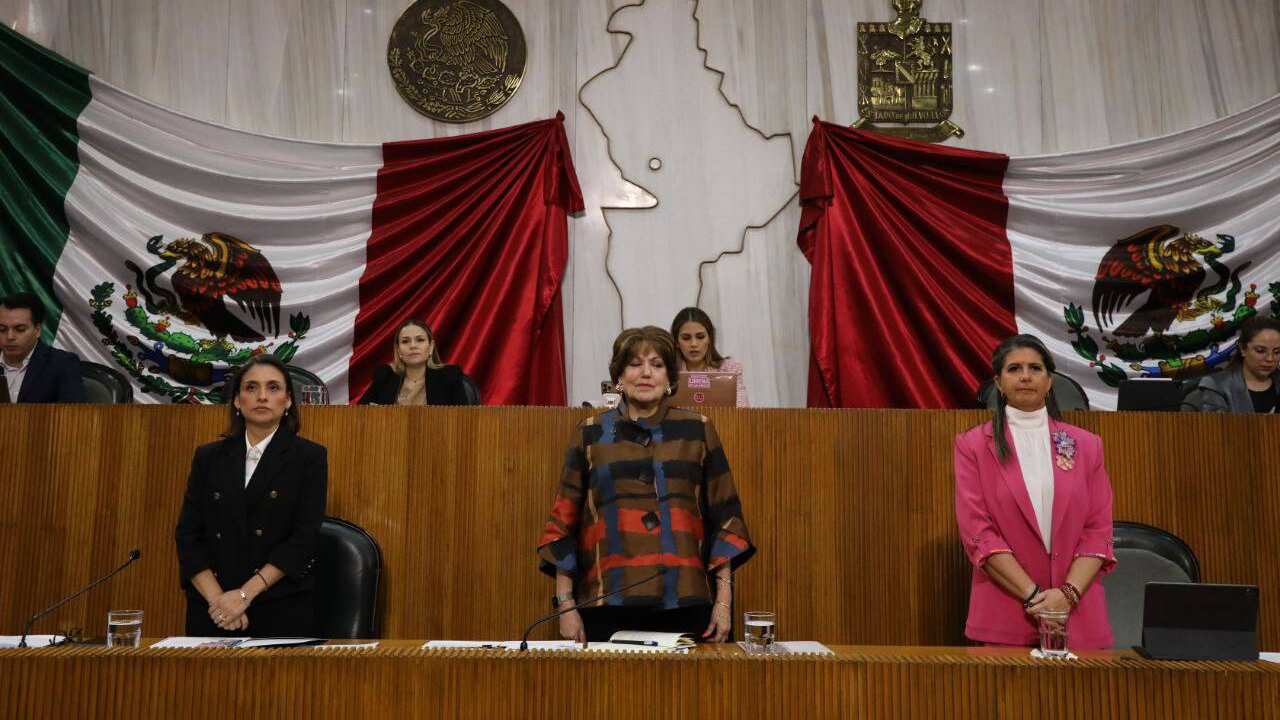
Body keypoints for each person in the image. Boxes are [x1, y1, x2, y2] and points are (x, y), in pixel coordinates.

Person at [538, 326, 754, 643]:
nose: (646, 373)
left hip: (685, 598)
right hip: (606, 599)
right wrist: (566, 605)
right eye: (635, 364)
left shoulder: (697, 430)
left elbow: (727, 521)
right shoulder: (590, 433)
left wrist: (723, 602)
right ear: (619, 377)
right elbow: (562, 523)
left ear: (669, 378)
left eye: (656, 364)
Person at [954, 334, 1115, 649]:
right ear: (998, 383)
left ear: (1049, 380)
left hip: (1078, 614)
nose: (1025, 376)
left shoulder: (1087, 445)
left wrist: (1066, 596)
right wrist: (1035, 597)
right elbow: (978, 533)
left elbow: (1098, 530)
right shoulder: (972, 445)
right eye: (1014, 369)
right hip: (1007, 613)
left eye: (1035, 368)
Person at [175, 354, 328, 637]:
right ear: (236, 400)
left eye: (273, 388)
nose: (261, 396)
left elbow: (302, 539)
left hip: (278, 604)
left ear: (288, 401)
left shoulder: (309, 457)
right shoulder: (208, 457)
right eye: (251, 388)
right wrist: (220, 603)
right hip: (212, 609)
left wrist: (243, 597)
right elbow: (188, 536)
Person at [358, 319, 473, 405]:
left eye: (420, 340)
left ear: (431, 347)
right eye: (405, 341)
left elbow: (463, 420)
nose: (413, 346)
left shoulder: (449, 376)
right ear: (399, 350)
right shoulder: (385, 376)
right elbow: (357, 414)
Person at [0, 292, 85, 403]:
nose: (10, 337)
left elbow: (73, 415)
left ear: (37, 330)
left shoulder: (62, 364)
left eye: (20, 329)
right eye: (2, 329)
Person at [1193, 316, 1280, 413]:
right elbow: (1214, 427)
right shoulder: (1217, 385)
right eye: (1260, 351)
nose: (1270, 359)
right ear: (1243, 349)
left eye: (1277, 352)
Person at [670, 307, 747, 407]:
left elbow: (742, 409)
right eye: (686, 338)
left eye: (700, 337)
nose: (694, 344)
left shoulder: (730, 369)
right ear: (676, 342)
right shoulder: (668, 373)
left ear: (710, 338)